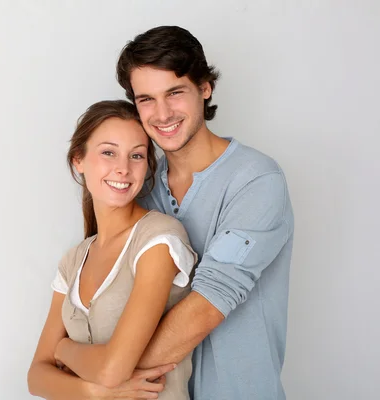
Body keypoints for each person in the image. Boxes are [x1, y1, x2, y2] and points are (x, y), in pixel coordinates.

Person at [115, 26, 295, 399]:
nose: (161, 114)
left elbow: (207, 305)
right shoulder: (139, 189)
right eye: (146, 99)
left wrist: (103, 377)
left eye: (175, 93)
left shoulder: (257, 180)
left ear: (205, 87)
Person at [27, 100, 199, 399]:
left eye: (136, 155)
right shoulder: (73, 261)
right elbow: (36, 378)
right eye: (109, 152)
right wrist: (96, 393)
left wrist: (63, 348)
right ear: (78, 160)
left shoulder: (159, 239)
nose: (123, 168)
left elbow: (113, 370)